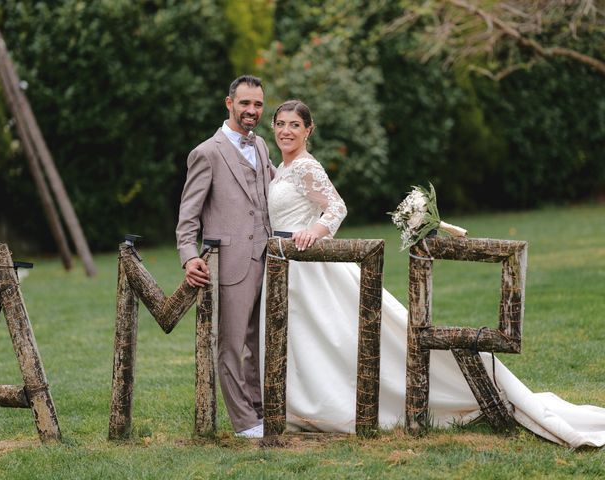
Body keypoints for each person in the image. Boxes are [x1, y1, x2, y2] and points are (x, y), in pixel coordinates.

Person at [261, 99, 605, 447]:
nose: (286, 131)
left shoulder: (306, 167)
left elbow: (336, 207)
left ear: (308, 130)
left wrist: (313, 233)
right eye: (280, 124)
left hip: (309, 263)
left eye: (294, 125)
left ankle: (339, 404)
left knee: (341, 335)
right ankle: (296, 406)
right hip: (285, 265)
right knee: (306, 336)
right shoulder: (281, 168)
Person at [176, 75, 275, 438]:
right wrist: (189, 257)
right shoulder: (207, 152)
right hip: (231, 262)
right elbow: (188, 216)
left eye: (258, 104)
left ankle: (263, 411)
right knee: (231, 344)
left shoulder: (262, 146)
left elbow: (274, 194)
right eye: (245, 103)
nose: (252, 110)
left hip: (269, 258)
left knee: (259, 342)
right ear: (228, 103)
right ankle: (245, 422)